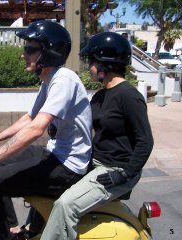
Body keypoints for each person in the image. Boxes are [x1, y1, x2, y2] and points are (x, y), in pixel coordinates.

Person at [0, 20, 92, 240]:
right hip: (55, 154)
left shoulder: (64, 80)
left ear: (48, 53)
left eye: (29, 49)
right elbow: (29, 118)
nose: (23, 54)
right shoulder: (50, 80)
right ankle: (11, 230)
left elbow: (37, 128)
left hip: (68, 166)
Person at [41, 32, 154, 239]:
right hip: (94, 163)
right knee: (44, 183)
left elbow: (145, 141)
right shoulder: (101, 96)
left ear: (105, 64)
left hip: (116, 169)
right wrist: (57, 126)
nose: (88, 67)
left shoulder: (129, 96)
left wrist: (125, 173)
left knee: (66, 205)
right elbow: (81, 123)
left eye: (91, 61)